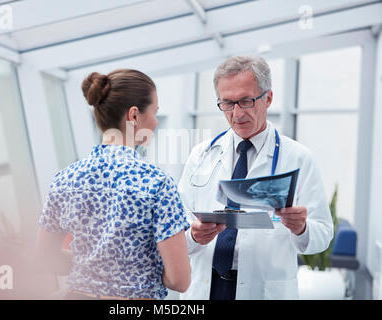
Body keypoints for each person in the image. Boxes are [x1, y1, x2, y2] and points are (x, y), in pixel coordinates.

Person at [178, 56, 333, 300]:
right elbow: (177, 229)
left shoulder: (299, 158)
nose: (236, 113)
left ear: (268, 98)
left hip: (263, 290)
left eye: (246, 101)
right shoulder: (202, 154)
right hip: (206, 286)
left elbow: (322, 235)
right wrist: (194, 236)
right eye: (227, 103)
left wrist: (301, 227)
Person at [35, 69, 191, 300]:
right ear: (134, 115)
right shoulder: (157, 183)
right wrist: (144, 270)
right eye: (155, 112)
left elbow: (43, 259)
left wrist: (91, 265)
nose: (156, 122)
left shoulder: (64, 179)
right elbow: (179, 280)